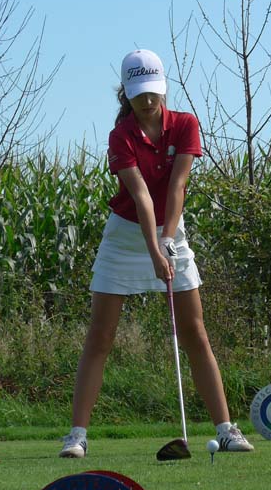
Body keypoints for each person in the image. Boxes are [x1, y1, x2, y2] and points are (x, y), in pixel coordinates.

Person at [59, 49, 254, 458]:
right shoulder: (121, 136)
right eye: (138, 94)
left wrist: (167, 240)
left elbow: (177, 187)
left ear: (162, 88)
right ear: (126, 94)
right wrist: (153, 248)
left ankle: (227, 429)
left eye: (153, 92)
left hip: (171, 229)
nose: (147, 101)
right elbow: (141, 195)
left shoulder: (185, 125)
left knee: (194, 333)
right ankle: (77, 436)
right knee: (101, 335)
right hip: (125, 237)